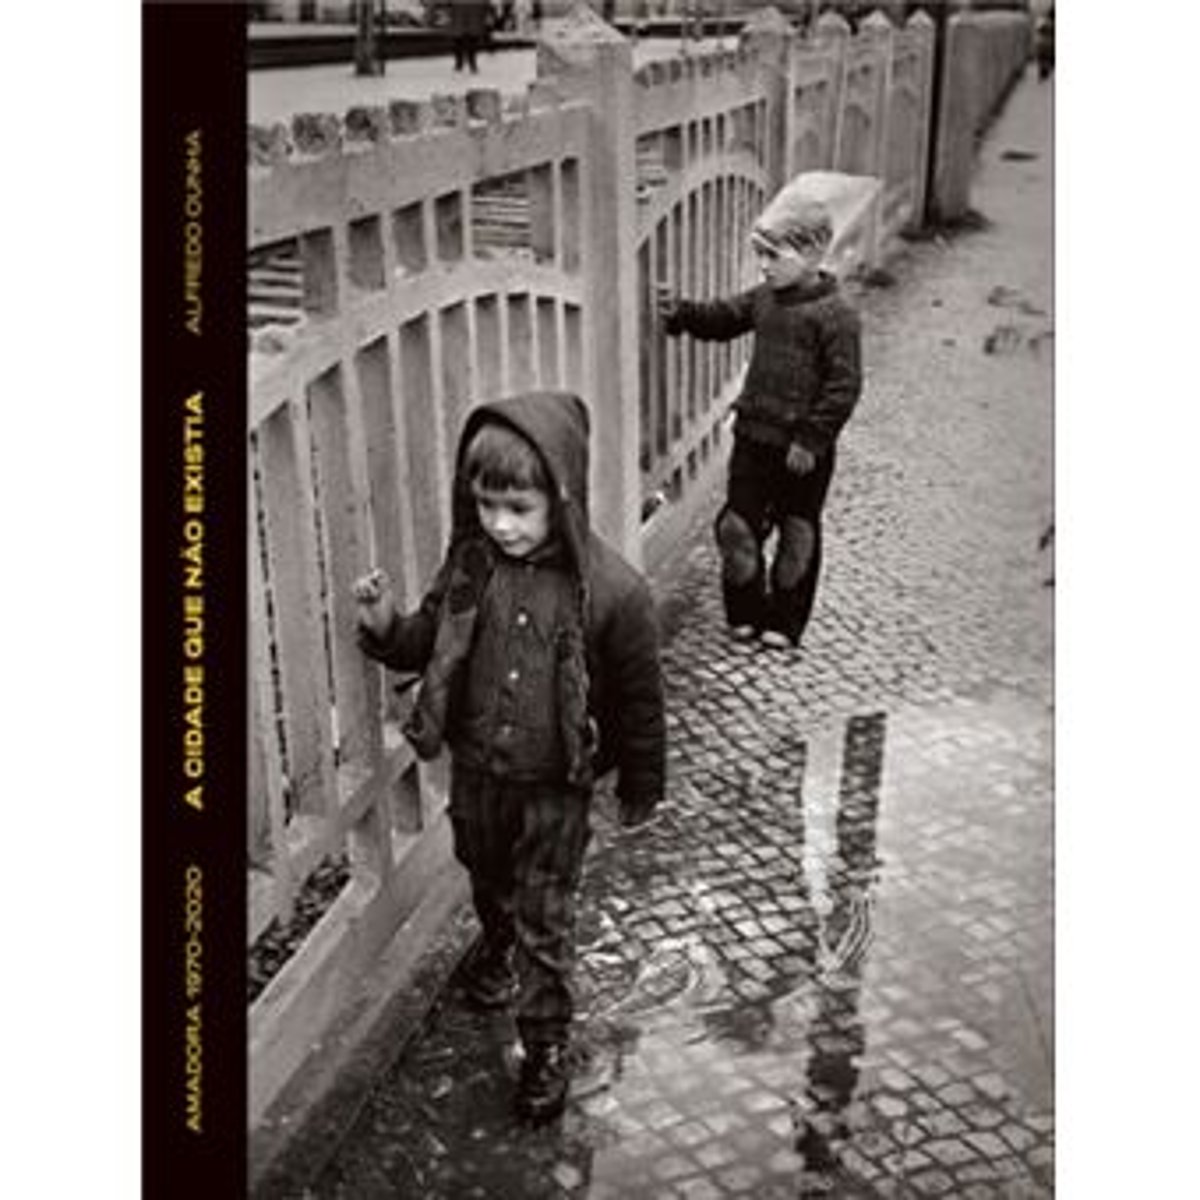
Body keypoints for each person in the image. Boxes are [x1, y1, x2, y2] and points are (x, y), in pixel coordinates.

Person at [352, 391, 666, 1122]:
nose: (501, 524)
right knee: (484, 872)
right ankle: (497, 949)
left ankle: (547, 1044)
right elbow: (429, 637)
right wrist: (385, 625)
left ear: (563, 495)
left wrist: (641, 782)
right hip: (479, 777)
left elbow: (640, 700)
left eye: (519, 508)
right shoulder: (471, 565)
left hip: (556, 790)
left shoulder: (613, 592)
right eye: (487, 505)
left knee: (543, 916)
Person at [658, 189, 862, 652]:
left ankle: (785, 619)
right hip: (754, 438)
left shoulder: (837, 316)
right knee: (736, 527)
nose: (764, 266)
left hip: (802, 452)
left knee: (797, 533)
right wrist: (683, 313)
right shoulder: (765, 298)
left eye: (774, 255)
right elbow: (724, 317)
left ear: (813, 252)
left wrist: (811, 439)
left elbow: (844, 386)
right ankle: (745, 610)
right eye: (760, 255)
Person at [449, 0, 492, 72]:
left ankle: (467, 63)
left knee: (470, 35)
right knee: (459, 35)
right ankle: (463, 63)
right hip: (462, 8)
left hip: (471, 8)